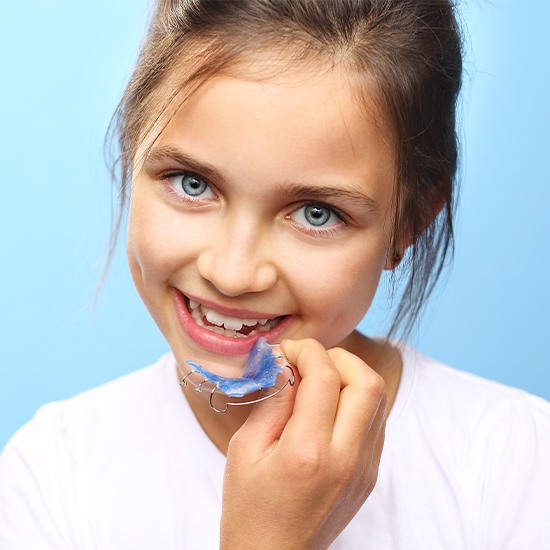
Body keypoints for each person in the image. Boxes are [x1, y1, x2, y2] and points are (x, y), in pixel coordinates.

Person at [1, 1, 549, 548]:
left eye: (317, 213)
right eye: (191, 183)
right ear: (130, 150)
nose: (233, 273)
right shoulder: (52, 475)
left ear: (407, 225)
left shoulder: (513, 465)